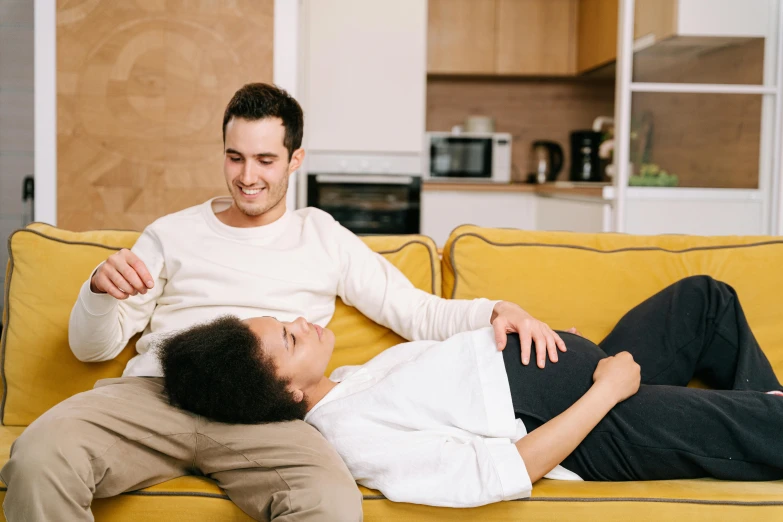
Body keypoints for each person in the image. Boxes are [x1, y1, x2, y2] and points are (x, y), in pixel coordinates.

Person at [0, 83, 569, 521]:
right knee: (39, 455)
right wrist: (99, 290)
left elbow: (415, 309)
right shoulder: (170, 233)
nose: (248, 177)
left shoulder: (322, 234)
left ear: (295, 160)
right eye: (235, 158)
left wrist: (494, 311)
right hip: (159, 394)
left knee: (330, 502)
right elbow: (92, 348)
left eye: (266, 160)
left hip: (267, 412)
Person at [158, 276, 783, 508]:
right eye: (289, 341)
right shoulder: (351, 436)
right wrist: (609, 391)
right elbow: (503, 471)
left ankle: (757, 421)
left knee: (706, 302)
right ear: (288, 394)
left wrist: (517, 329)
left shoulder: (349, 381)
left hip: (582, 369)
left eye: (284, 319)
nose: (302, 323)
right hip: (593, 422)